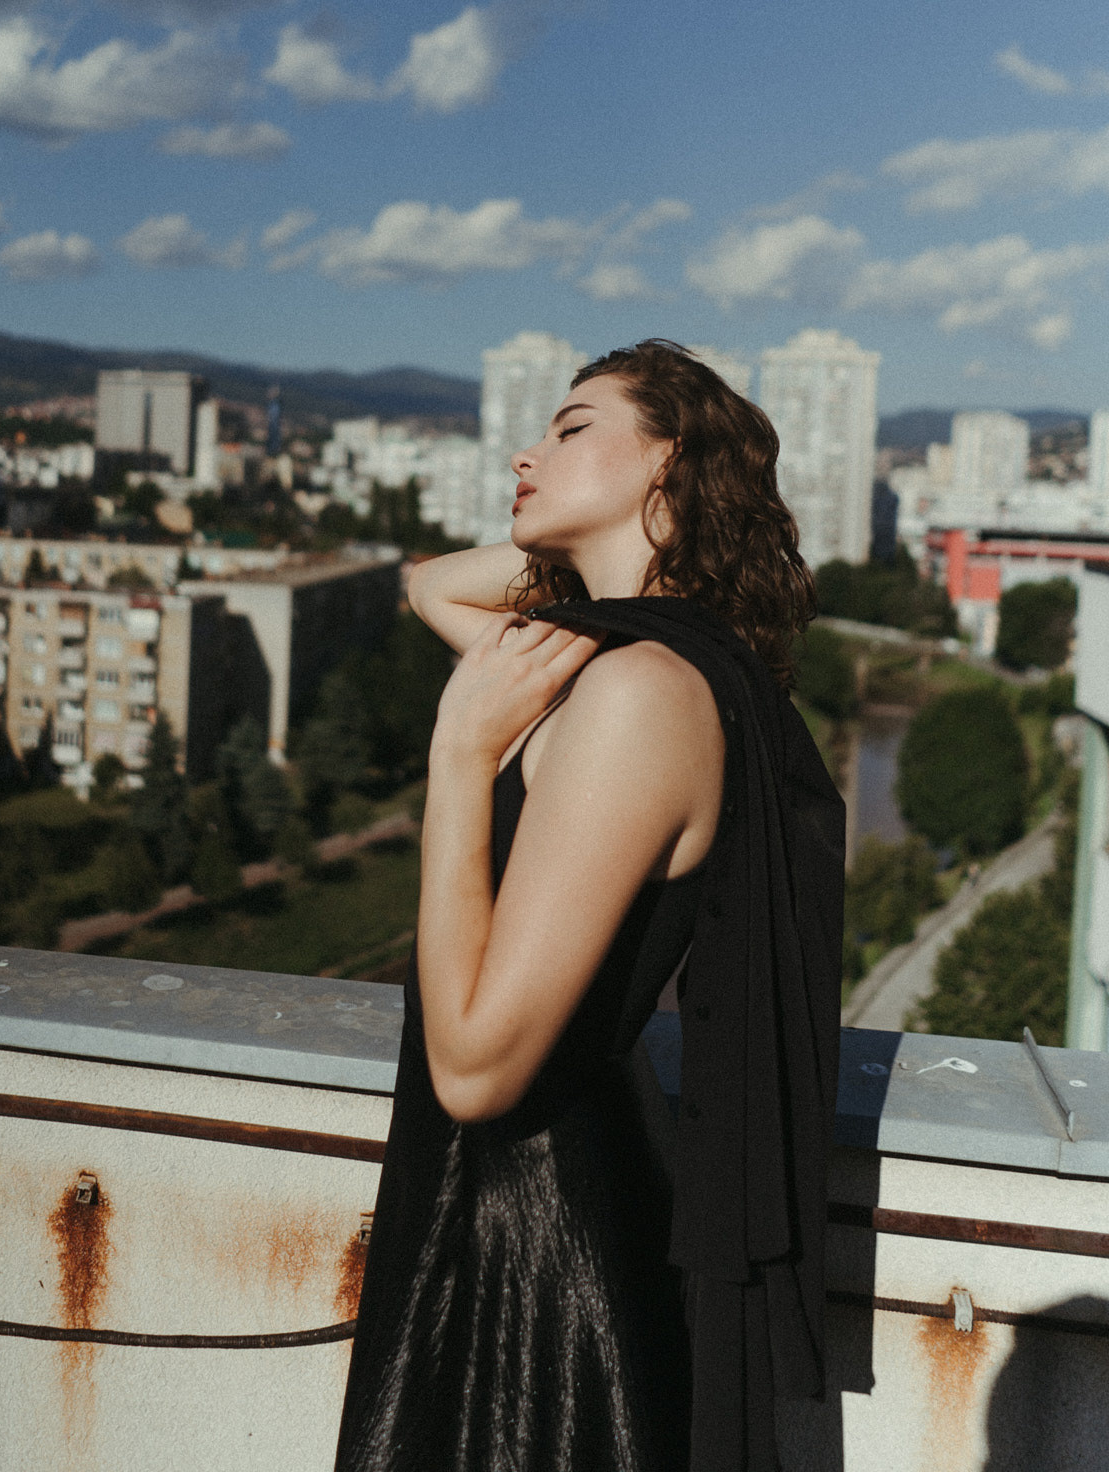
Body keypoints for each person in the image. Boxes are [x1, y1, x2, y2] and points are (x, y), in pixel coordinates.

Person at [333, 339, 845, 1472]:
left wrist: (460, 755)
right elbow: (432, 586)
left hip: (540, 1256)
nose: (524, 453)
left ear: (668, 461)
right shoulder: (628, 664)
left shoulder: (635, 695)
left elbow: (475, 1070)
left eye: (570, 429)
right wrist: (600, 544)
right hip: (527, 1213)